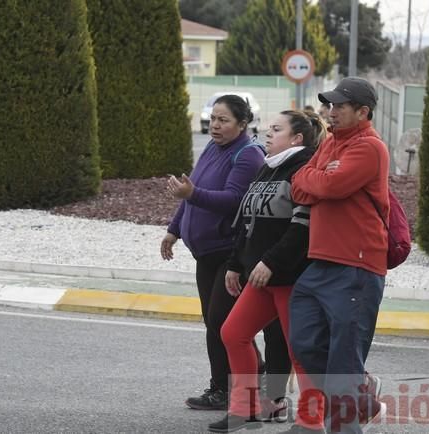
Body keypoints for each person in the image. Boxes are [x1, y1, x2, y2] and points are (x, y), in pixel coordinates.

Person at [162, 94, 287, 411]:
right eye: (213, 119)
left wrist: (193, 194)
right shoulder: (212, 148)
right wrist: (174, 229)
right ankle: (229, 382)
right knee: (214, 321)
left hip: (229, 254)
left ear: (243, 124)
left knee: (222, 321)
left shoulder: (247, 155)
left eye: (223, 120)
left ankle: (233, 384)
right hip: (204, 253)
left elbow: (234, 200)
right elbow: (192, 190)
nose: (215, 125)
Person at [207, 111, 328, 433]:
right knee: (233, 333)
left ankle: (311, 420)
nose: (267, 135)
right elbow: (247, 223)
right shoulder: (267, 168)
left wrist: (272, 262)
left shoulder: (305, 168)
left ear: (297, 138)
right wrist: (235, 264)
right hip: (260, 278)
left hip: (291, 278)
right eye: (267, 129)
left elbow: (302, 227)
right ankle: (244, 408)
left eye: (276, 129)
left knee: (299, 349)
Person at [289, 77, 390, 433]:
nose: (331, 113)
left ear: (363, 112)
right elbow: (298, 185)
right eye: (330, 106)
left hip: (357, 266)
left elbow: (330, 186)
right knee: (302, 342)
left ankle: (352, 399)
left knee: (342, 371)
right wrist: (320, 176)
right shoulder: (331, 142)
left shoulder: (369, 147)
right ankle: (363, 391)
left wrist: (321, 180)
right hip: (321, 264)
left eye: (339, 107)